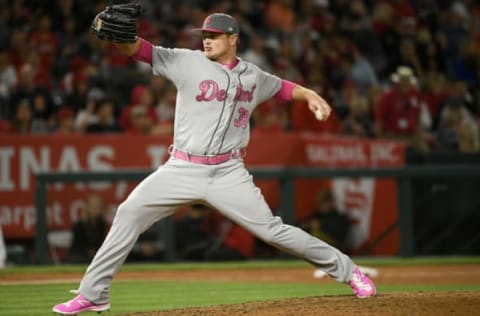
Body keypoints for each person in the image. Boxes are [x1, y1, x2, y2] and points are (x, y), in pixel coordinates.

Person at [53, 8, 376, 315]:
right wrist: (117, 38)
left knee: (273, 232)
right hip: (182, 167)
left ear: (233, 38)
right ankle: (94, 294)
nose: (207, 39)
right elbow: (140, 50)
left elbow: (283, 88)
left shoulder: (253, 76)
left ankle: (350, 272)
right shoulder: (186, 61)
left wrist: (310, 95)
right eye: (205, 34)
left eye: (215, 35)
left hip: (228, 172)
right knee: (128, 212)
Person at [66, 193, 109, 264]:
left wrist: (96, 251)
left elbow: (101, 244)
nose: (95, 208)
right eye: (93, 205)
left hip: (96, 256)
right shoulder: (79, 225)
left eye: (98, 205)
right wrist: (88, 251)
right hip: (80, 257)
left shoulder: (102, 224)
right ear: (87, 207)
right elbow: (76, 247)